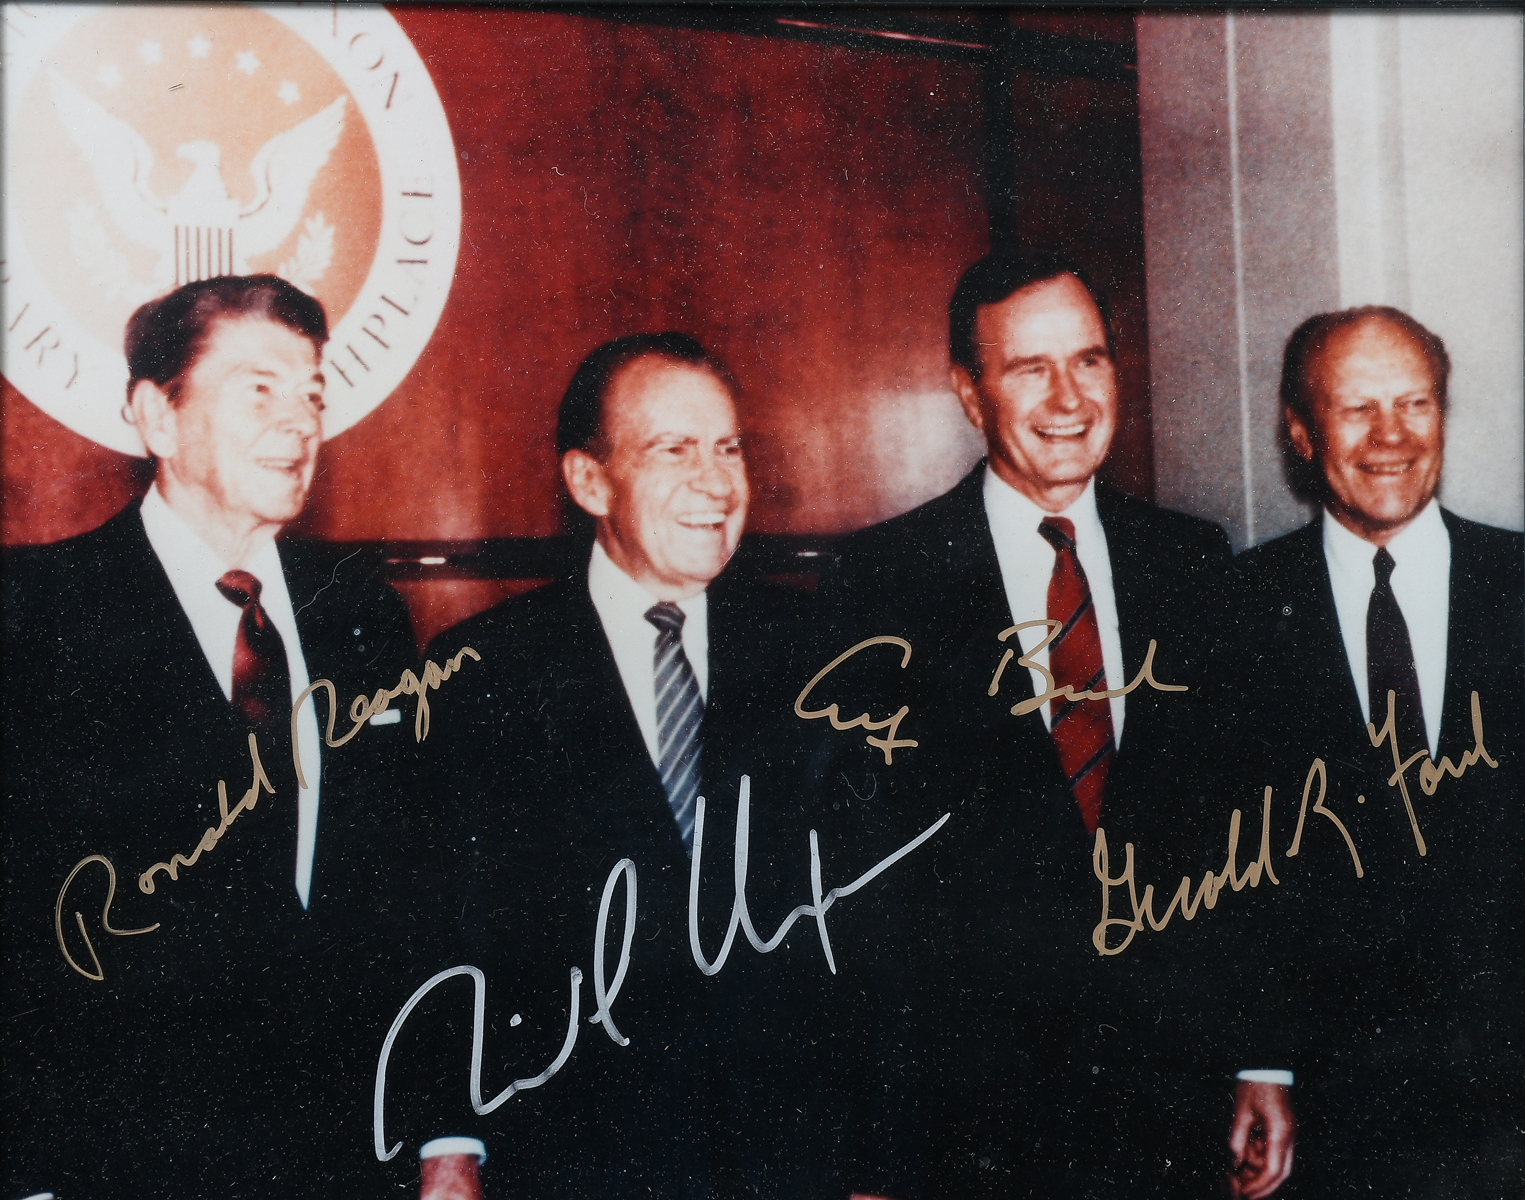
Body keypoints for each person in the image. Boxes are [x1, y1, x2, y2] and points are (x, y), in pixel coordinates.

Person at [812, 249, 1250, 1198]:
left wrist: (1259, 1061)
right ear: (968, 395)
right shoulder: (879, 585)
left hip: (1169, 1105)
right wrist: (877, 1148)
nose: (1068, 397)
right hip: (971, 1122)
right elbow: (860, 894)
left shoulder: (1195, 562)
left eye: (1088, 360)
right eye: (1028, 368)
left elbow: (1236, 828)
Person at [1, 275, 423, 1198]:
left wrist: (441, 1139)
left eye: (312, 393)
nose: (300, 421)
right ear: (158, 416)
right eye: (259, 388)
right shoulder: (35, 621)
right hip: (125, 1165)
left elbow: (405, 891)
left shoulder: (363, 612)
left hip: (344, 1155)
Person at [417, 334, 823, 1198]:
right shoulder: (482, 673)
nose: (716, 484)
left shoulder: (820, 658)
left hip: (787, 1158)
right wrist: (449, 1146)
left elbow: (877, 938)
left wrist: (878, 1165)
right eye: (674, 450)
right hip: (579, 1158)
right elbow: (451, 931)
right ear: (589, 482)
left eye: (728, 448)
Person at [1216, 306, 1524, 1196]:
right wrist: (1262, 1063)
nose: (1391, 437)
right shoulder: (1230, 615)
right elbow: (1217, 869)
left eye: (1414, 404)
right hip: (1338, 1109)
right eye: (1356, 410)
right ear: (1299, 433)